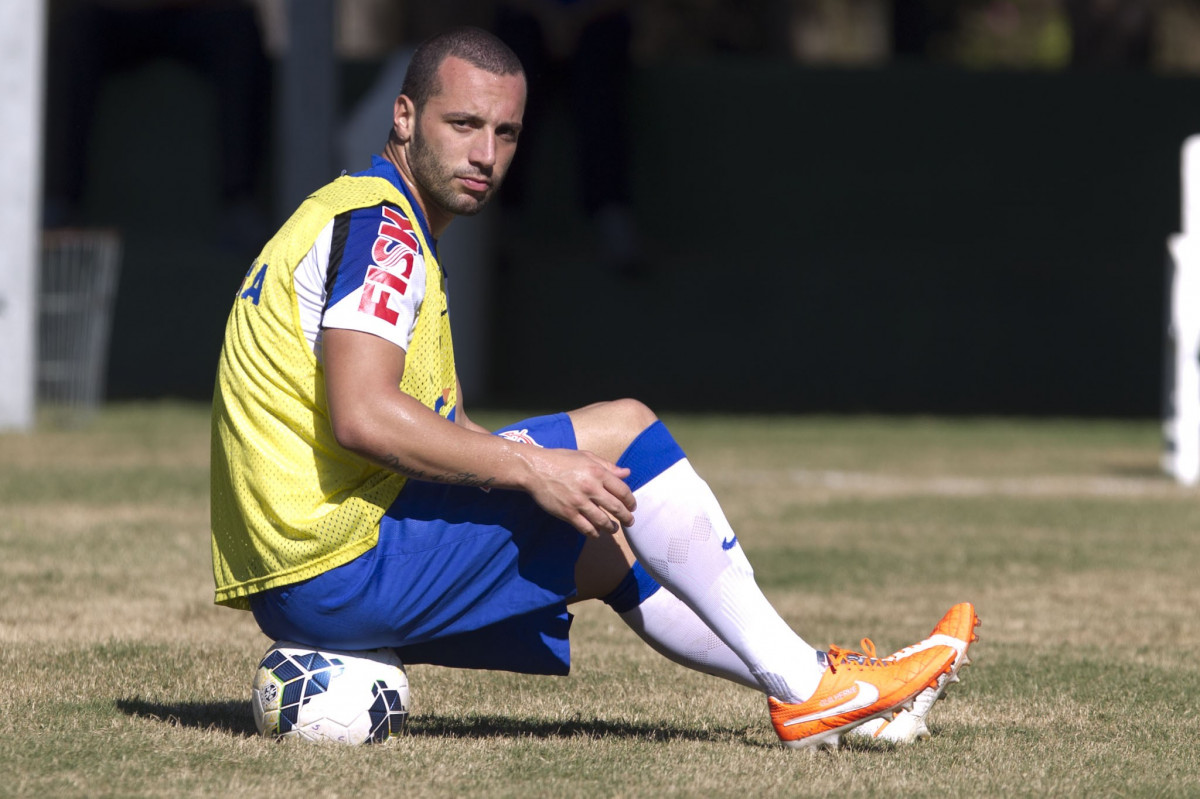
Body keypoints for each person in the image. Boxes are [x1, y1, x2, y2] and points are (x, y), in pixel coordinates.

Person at [210, 26, 978, 751]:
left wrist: (537, 471)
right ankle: (812, 686)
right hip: (333, 562)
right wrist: (536, 467)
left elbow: (421, 425)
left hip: (307, 567)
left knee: (609, 536)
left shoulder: (357, 214)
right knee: (625, 429)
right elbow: (364, 414)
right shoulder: (383, 229)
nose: (485, 153)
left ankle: (838, 693)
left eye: (505, 133)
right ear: (404, 118)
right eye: (464, 124)